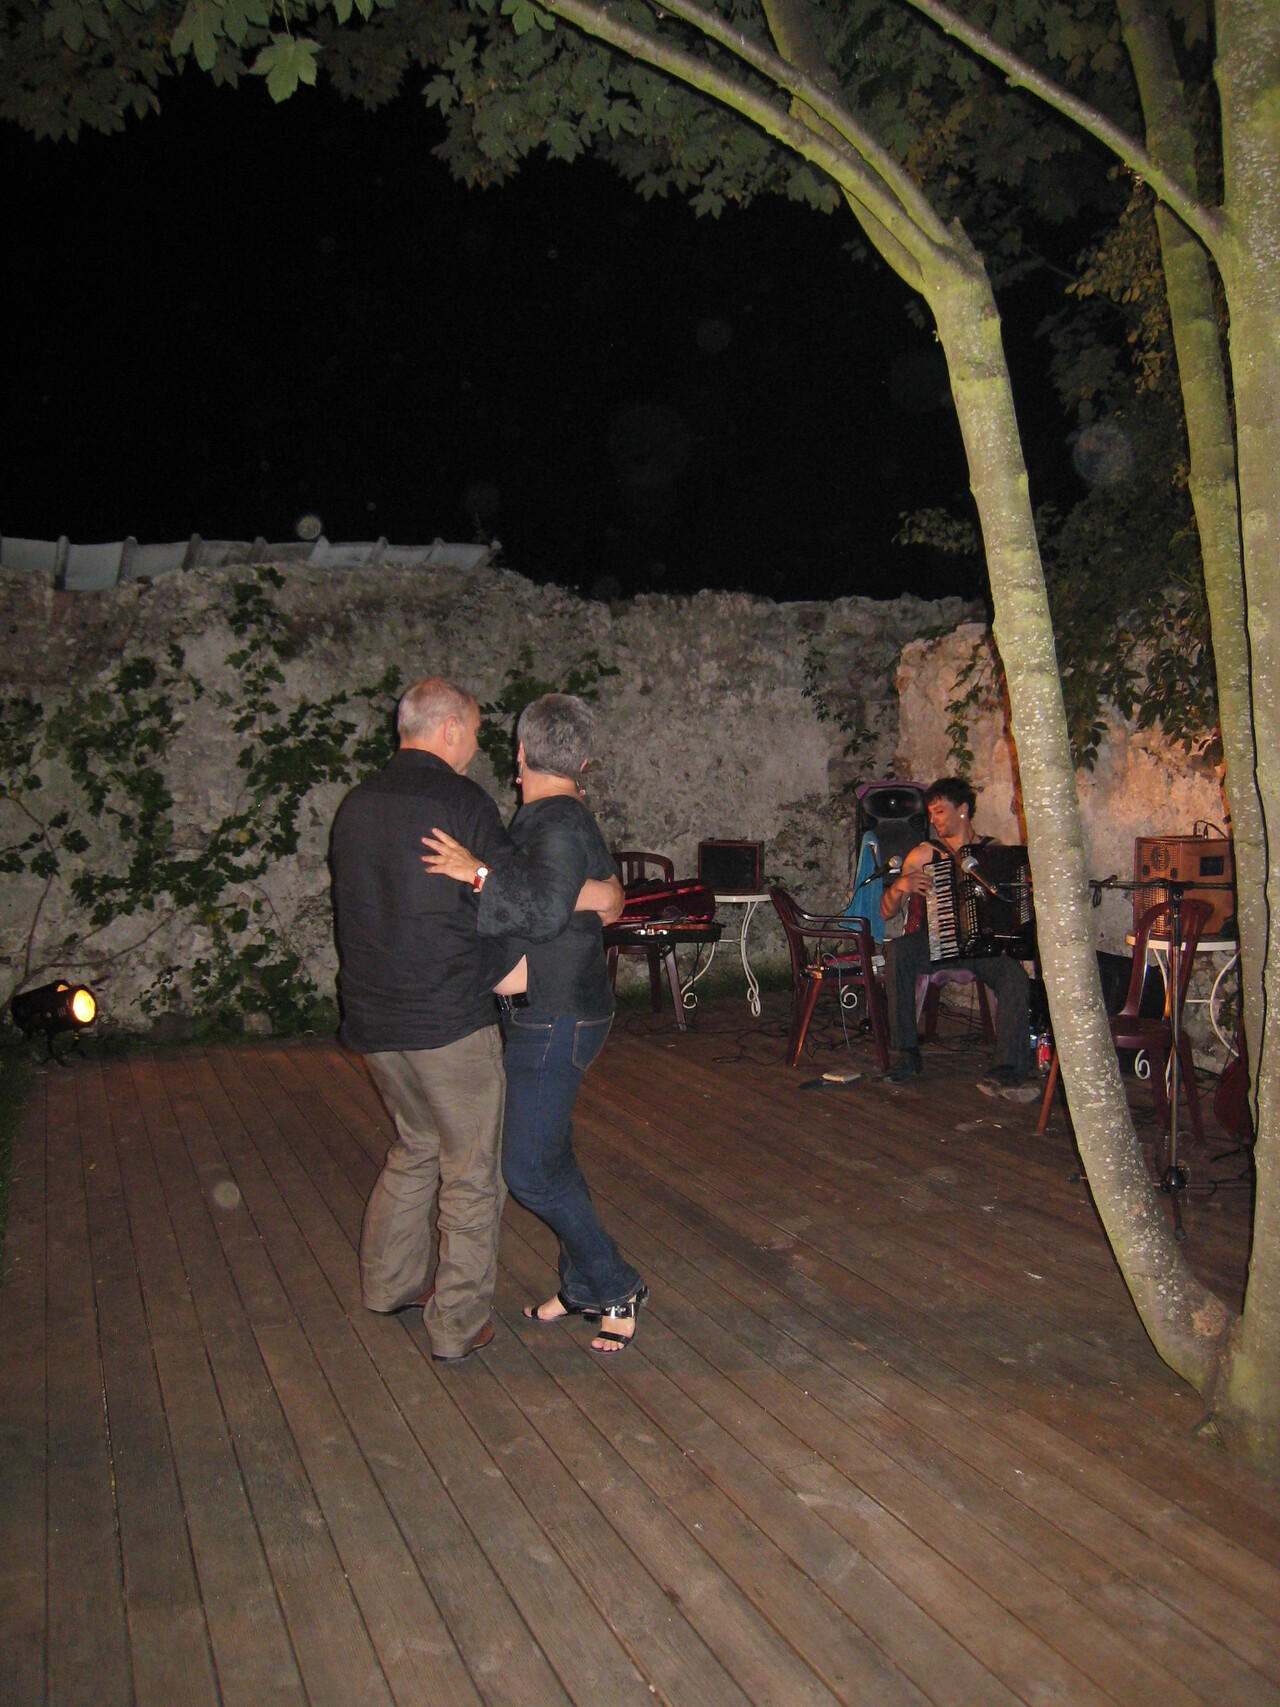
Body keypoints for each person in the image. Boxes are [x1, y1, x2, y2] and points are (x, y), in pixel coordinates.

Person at [330, 676, 620, 1363]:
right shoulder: (461, 803)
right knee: (470, 1171)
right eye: (476, 732)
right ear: (451, 729)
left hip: (373, 1017)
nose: (482, 748)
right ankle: (458, 1324)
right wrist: (605, 894)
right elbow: (528, 898)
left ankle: (389, 1285)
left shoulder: (356, 805)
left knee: (415, 1146)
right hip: (447, 1019)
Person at [422, 692, 649, 1353]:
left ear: (519, 751)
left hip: (555, 1017)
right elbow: (595, 895)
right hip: (548, 1016)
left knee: (526, 1169)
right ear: (583, 760)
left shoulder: (557, 820)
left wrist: (477, 872)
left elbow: (545, 910)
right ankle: (582, 1283)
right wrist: (599, 896)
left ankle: (616, 1283)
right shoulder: (554, 818)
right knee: (549, 1156)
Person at [879, 776, 1037, 1101]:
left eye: (939, 811)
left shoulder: (994, 851)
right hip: (936, 942)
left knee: (1016, 978)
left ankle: (1007, 1068)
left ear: (962, 809)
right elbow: (886, 912)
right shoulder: (924, 854)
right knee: (898, 952)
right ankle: (907, 1052)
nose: (933, 820)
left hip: (982, 946)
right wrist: (900, 887)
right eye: (931, 813)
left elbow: (1014, 904)